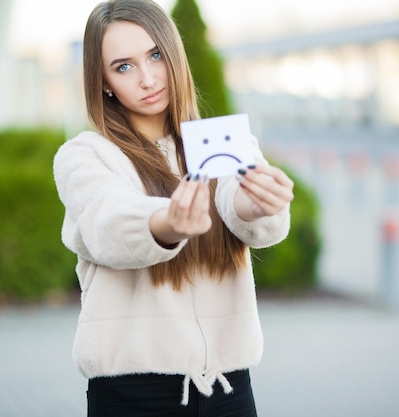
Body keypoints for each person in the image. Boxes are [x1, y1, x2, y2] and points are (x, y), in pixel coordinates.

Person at [53, 0, 294, 415]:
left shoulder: (217, 140)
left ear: (174, 54)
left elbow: (238, 204)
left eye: (155, 55)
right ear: (104, 82)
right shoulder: (86, 156)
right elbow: (108, 224)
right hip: (134, 396)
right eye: (123, 66)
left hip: (229, 391)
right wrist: (167, 222)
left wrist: (258, 204)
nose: (147, 78)